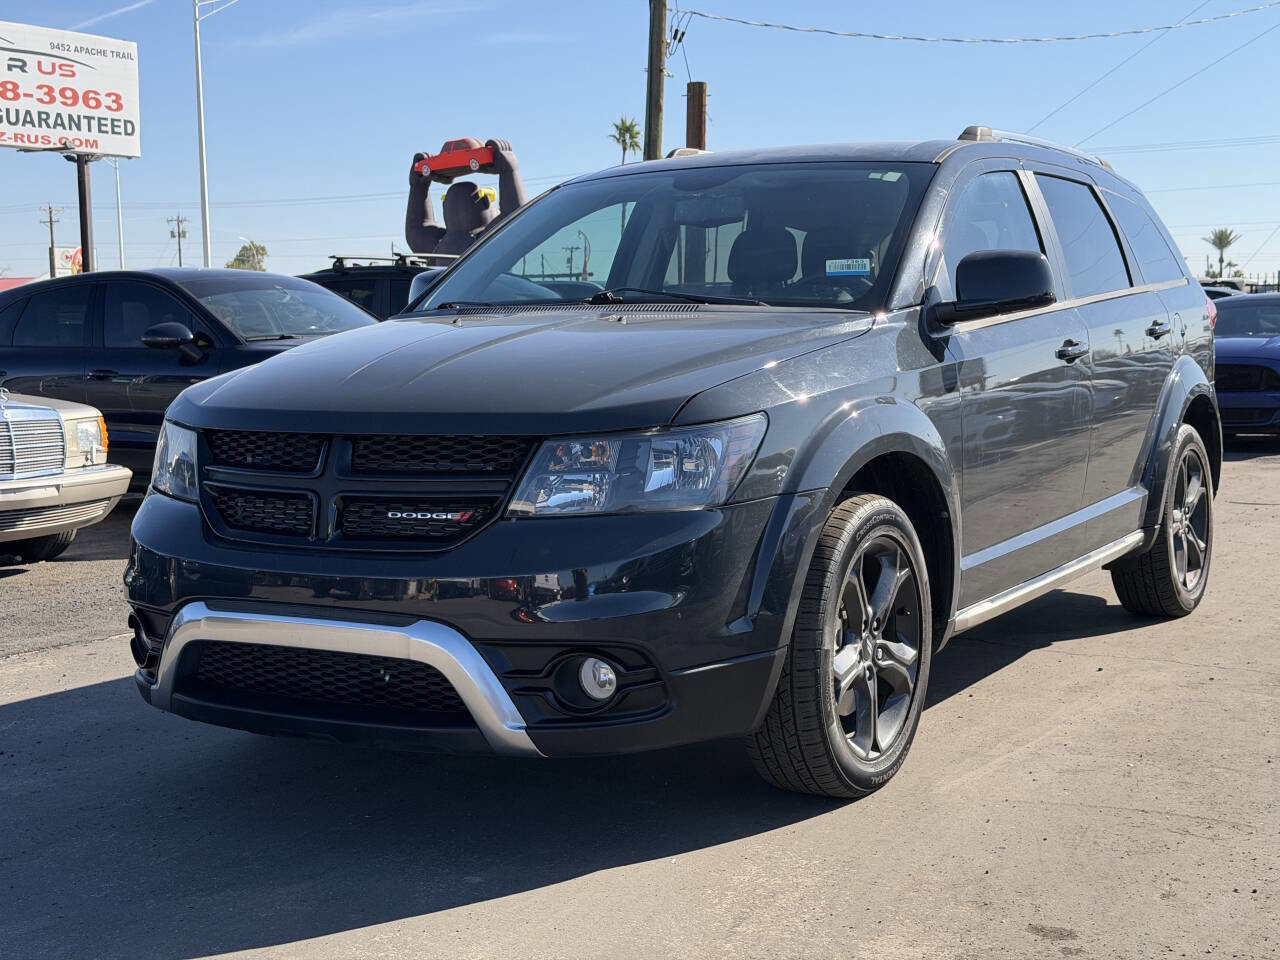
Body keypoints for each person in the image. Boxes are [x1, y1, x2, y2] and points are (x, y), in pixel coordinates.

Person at [404, 138, 527, 256]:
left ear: (444, 206)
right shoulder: (486, 241)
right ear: (485, 201)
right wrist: (509, 170)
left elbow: (416, 228)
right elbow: (516, 218)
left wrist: (418, 187)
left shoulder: (438, 247)